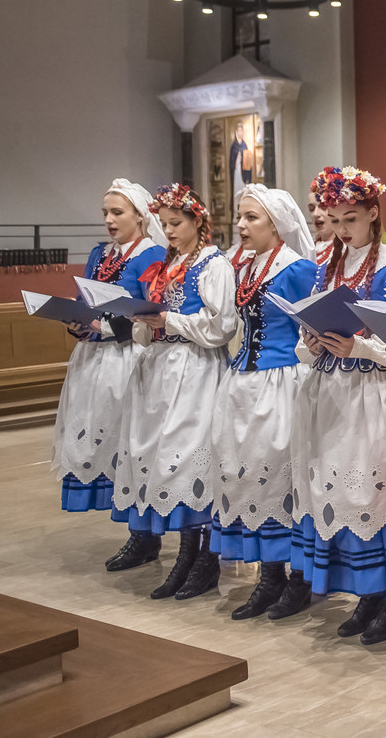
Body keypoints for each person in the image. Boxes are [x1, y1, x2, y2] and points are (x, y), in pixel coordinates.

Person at [286, 166, 386, 642]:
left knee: (373, 493)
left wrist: (358, 346)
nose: (341, 229)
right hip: (328, 393)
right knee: (337, 491)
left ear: (373, 214)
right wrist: (311, 343)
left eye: (351, 219)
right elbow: (303, 341)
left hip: (373, 394)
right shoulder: (327, 267)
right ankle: (366, 595)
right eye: (335, 220)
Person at [115, 184, 236, 602]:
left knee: (190, 459)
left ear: (198, 221)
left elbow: (221, 326)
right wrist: (142, 322)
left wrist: (171, 320)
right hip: (161, 370)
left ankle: (204, 558)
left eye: (176, 223)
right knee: (165, 459)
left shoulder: (214, 264)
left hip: (196, 369)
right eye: (163, 224)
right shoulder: (167, 263)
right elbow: (154, 318)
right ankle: (186, 553)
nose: (168, 231)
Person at [209, 184, 319, 620]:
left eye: (251, 217)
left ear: (276, 224)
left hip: (282, 383)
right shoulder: (245, 266)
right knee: (249, 477)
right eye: (240, 216)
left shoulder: (298, 269)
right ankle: (268, 575)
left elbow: (312, 331)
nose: (240, 225)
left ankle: (296, 579)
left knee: (281, 479)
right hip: (242, 384)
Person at [53, 179, 168, 570]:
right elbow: (87, 300)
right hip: (94, 359)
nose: (109, 219)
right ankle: (138, 532)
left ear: (141, 215)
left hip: (129, 356)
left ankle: (145, 534)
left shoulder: (152, 254)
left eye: (117, 212)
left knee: (131, 444)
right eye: (105, 212)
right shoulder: (99, 254)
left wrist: (106, 326)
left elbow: (151, 309)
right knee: (102, 439)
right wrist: (78, 321)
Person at [307, 189, 335, 262]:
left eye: (323, 206)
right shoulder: (308, 248)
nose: (315, 214)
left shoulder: (346, 249)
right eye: (311, 208)